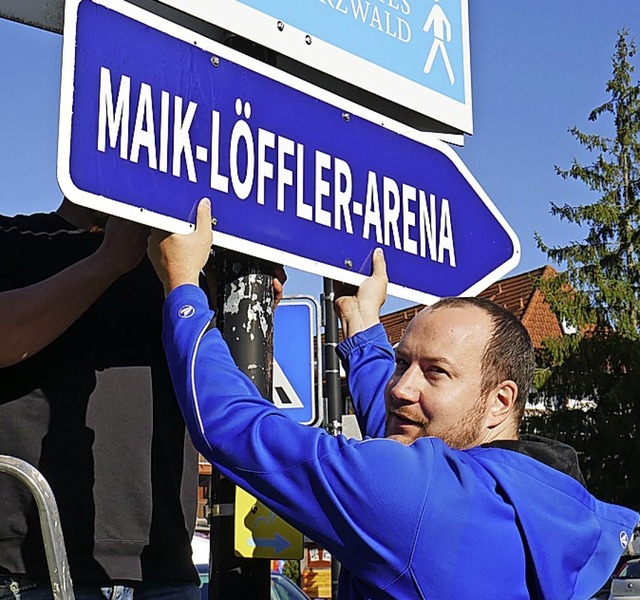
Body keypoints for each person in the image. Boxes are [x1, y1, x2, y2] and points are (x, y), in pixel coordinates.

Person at [148, 198, 639, 600]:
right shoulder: (550, 498)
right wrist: (363, 323)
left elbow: (229, 424)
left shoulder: (420, 502)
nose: (402, 388)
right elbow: (410, 425)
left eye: (436, 372)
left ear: (499, 401)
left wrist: (183, 286)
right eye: (404, 362)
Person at [0, 198, 200, 599]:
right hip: (38, 568)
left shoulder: (178, 265)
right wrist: (108, 260)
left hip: (165, 567)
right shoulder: (14, 236)